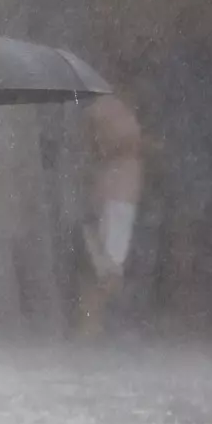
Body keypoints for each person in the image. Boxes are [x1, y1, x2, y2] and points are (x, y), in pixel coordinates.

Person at [73, 93, 144, 339]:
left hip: (121, 199)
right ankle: (90, 321)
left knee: (108, 266)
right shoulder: (101, 108)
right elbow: (99, 146)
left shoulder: (114, 105)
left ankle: (93, 321)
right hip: (114, 200)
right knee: (107, 267)